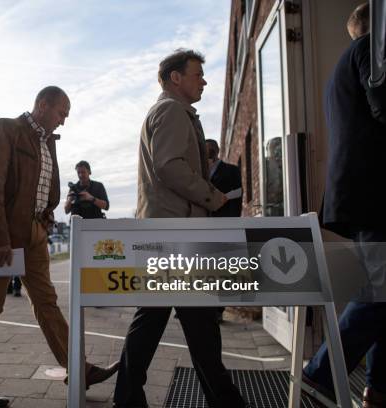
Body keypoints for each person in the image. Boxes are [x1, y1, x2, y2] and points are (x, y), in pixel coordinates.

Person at [113, 49, 250, 408]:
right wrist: (213, 197)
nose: (203, 80)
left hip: (169, 233)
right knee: (196, 322)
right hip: (177, 235)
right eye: (197, 74)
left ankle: (127, 397)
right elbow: (169, 167)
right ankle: (223, 400)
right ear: (176, 78)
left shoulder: (170, 111)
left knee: (168, 320)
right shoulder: (172, 111)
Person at [0, 86, 118, 407]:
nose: (63, 121)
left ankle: (78, 369)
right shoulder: (7, 129)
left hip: (34, 235)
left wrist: (45, 221)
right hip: (5, 236)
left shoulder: (49, 142)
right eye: (61, 113)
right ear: (43, 104)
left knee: (47, 302)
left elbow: (48, 192)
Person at [303, 3, 386, 407]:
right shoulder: (372, 51)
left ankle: (377, 388)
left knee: (383, 289)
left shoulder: (343, 65)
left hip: (357, 194)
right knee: (383, 290)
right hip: (376, 193)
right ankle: (319, 375)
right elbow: (384, 107)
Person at [205, 138, 243, 323]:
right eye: (205, 150)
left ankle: (218, 309)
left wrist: (223, 198)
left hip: (223, 223)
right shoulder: (199, 173)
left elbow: (239, 192)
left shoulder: (231, 170)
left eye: (210, 149)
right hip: (204, 225)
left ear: (217, 150)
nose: (208, 152)